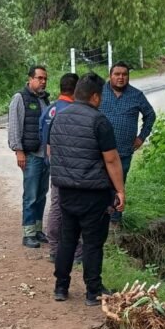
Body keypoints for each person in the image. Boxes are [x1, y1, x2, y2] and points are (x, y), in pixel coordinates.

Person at [47, 72, 126, 306]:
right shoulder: (99, 121)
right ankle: (93, 291)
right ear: (95, 97)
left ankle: (61, 287)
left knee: (67, 239)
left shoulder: (59, 117)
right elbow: (111, 159)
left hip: (66, 191)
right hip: (93, 193)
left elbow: (52, 152)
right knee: (92, 242)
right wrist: (120, 191)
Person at [99, 61, 156, 225]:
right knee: (98, 186)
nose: (121, 77)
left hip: (123, 151)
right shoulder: (100, 92)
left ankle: (115, 221)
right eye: (117, 74)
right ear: (110, 76)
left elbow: (150, 115)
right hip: (99, 151)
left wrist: (142, 137)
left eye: (124, 74)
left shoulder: (136, 95)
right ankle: (97, 220)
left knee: (118, 187)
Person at [39, 72, 82, 263]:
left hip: (54, 166)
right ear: (77, 89)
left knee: (56, 207)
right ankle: (76, 251)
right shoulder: (74, 111)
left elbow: (42, 137)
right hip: (72, 167)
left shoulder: (49, 109)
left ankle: (55, 249)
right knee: (75, 207)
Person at [7, 65, 51, 247]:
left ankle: (38, 230)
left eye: (45, 79)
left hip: (45, 156)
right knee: (31, 196)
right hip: (31, 155)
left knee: (41, 195)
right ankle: (28, 234)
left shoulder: (45, 99)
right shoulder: (20, 98)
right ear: (30, 79)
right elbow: (14, 126)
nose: (43, 82)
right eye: (39, 78)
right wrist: (19, 151)